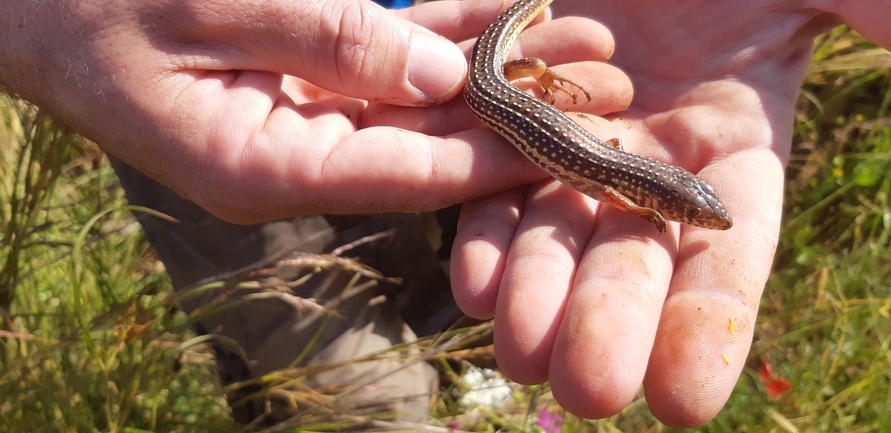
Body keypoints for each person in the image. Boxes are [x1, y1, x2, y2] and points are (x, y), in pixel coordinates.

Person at [2, 0, 888, 428]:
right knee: (324, 350)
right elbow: (618, 179)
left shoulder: (639, 184)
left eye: (690, 207)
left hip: (454, 63)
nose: (694, 213)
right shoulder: (633, 185)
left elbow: (620, 178)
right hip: (241, 71)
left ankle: (458, 373)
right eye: (688, 206)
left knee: (438, 262)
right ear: (666, 200)